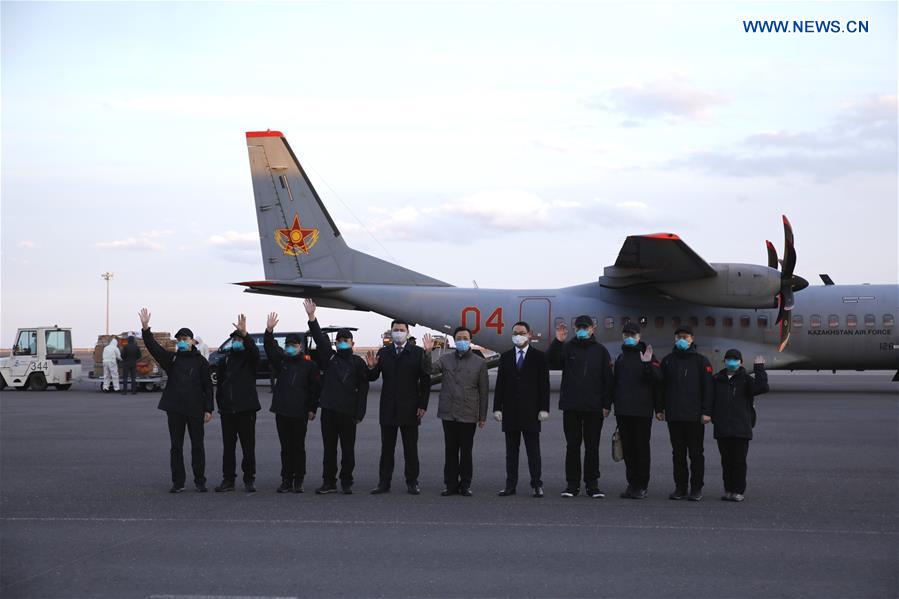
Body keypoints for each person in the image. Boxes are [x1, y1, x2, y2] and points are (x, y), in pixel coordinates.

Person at [139, 308, 213, 493]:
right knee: (176, 447)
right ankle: (178, 482)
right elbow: (154, 348)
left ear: (192, 341)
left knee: (197, 446)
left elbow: (208, 387)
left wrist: (208, 409)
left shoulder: (201, 362)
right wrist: (146, 329)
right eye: (179, 339)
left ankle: (200, 481)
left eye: (185, 339)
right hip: (175, 409)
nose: (181, 342)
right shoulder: (171, 359)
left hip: (196, 409)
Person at [305, 299, 369, 495]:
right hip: (329, 412)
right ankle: (329, 482)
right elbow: (320, 339)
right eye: (339, 340)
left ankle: (347, 481)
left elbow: (364, 388)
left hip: (348, 413)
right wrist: (311, 317)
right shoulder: (330, 358)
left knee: (348, 449)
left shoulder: (358, 363)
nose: (342, 343)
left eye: (345, 340)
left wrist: (360, 413)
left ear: (352, 343)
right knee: (329, 449)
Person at [548, 315, 613, 498]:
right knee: (572, 446)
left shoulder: (601, 351)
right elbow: (551, 361)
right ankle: (572, 484)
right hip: (572, 406)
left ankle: (592, 485)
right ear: (575, 329)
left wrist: (606, 404)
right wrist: (558, 342)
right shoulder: (567, 348)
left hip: (594, 407)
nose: (582, 330)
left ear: (593, 329)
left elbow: (608, 379)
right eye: (579, 327)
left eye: (586, 327)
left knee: (592, 447)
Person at [365, 319, 431, 495]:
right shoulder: (384, 352)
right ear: (391, 332)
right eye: (395, 330)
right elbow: (372, 377)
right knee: (387, 449)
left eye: (402, 330)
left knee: (411, 449)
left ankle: (412, 482)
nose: (398, 332)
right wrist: (371, 368)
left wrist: (423, 405)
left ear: (407, 332)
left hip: (410, 408)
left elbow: (425, 381)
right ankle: (383, 483)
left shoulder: (417, 353)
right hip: (388, 408)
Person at [423, 327, 488, 496]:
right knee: (450, 450)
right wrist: (428, 352)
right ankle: (450, 484)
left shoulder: (479, 362)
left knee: (466, 451)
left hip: (469, 412)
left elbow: (483, 391)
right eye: (459, 338)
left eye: (465, 338)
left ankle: (465, 484)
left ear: (470, 340)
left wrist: (482, 416)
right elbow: (429, 370)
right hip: (449, 412)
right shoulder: (445, 360)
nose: (462, 340)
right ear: (454, 340)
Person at [264, 312, 321, 493]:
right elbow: (270, 349)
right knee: (285, 448)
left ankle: (299, 479)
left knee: (298, 447)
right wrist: (269, 331)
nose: (290, 348)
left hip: (300, 411)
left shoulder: (309, 366)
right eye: (287, 345)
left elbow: (314, 389)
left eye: (293, 345)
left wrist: (312, 408)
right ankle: (286, 479)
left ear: (300, 346)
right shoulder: (282, 362)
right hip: (282, 411)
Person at [493, 321, 550, 498]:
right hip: (510, 411)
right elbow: (500, 384)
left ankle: (536, 484)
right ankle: (511, 485)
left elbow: (544, 385)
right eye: (516, 333)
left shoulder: (539, 357)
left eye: (522, 332)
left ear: (529, 334)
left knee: (533, 451)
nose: (519, 335)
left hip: (531, 412)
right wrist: (497, 407)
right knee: (511, 452)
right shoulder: (506, 356)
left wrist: (544, 408)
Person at [657, 325, 713, 501]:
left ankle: (696, 488)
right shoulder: (667, 361)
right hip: (674, 416)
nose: (682, 340)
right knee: (677, 454)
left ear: (692, 339)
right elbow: (660, 387)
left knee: (696, 454)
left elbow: (708, 389)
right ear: (675, 339)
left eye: (686, 337)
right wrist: (659, 409)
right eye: (679, 337)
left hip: (695, 416)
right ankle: (680, 487)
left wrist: (706, 412)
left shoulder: (701, 362)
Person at [610, 322, 662, 499]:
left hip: (641, 410)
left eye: (632, 335)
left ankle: (642, 485)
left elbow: (657, 379)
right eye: (626, 335)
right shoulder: (620, 357)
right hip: (624, 410)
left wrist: (648, 364)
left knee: (641, 449)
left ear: (639, 337)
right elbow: (615, 383)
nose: (629, 338)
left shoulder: (647, 355)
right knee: (628, 450)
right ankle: (631, 484)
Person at [711, 350, 768, 502]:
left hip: (741, 427)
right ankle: (728, 489)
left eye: (735, 359)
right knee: (726, 461)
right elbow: (710, 399)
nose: (732, 362)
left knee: (739, 461)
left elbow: (762, 388)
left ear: (741, 362)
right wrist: (712, 417)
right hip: (722, 427)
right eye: (729, 359)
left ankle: (738, 491)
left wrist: (759, 369)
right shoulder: (717, 379)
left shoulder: (746, 380)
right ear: (724, 361)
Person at [213, 315, 261, 493]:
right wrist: (221, 404)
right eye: (235, 339)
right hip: (228, 410)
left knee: (248, 447)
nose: (236, 342)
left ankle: (249, 479)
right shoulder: (225, 359)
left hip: (246, 409)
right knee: (228, 447)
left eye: (239, 339)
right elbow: (221, 384)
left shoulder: (249, 358)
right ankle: (228, 480)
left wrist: (246, 334)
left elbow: (254, 352)